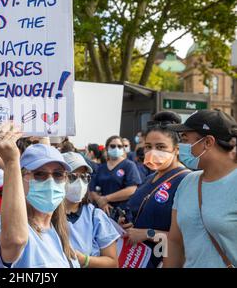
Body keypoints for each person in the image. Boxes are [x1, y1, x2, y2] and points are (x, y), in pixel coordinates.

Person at [0, 123, 80, 268]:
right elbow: (16, 240)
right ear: (20, 179)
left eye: (58, 174)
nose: (50, 181)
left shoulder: (60, 230)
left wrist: (44, 134)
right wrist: (11, 162)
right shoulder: (5, 225)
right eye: (39, 174)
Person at [164, 110, 237, 268]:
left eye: (185, 139)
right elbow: (174, 241)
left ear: (208, 142)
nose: (180, 147)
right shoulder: (187, 182)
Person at [123, 112, 191, 268]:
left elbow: (187, 237)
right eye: (148, 147)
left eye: (161, 147)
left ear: (177, 149)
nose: (153, 152)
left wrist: (148, 233)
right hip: (137, 259)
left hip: (165, 261)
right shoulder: (150, 177)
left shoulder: (186, 181)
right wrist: (128, 223)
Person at [62, 152, 119, 268]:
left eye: (84, 177)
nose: (79, 183)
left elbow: (113, 263)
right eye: (72, 177)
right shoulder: (47, 215)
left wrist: (84, 260)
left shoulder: (95, 216)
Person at [89, 136, 141, 220]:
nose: (116, 148)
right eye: (113, 146)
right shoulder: (101, 168)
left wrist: (106, 198)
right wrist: (101, 201)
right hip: (103, 211)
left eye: (119, 146)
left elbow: (132, 189)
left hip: (122, 213)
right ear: (107, 148)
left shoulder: (129, 165)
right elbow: (92, 188)